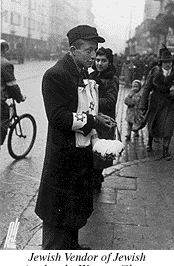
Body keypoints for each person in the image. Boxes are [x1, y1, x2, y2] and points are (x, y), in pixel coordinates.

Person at [34, 25, 114, 250]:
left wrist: (97, 116)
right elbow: (58, 116)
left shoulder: (81, 72)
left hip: (79, 155)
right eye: (89, 50)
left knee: (74, 209)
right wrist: (94, 121)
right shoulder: (55, 75)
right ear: (73, 49)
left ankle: (73, 247)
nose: (93, 55)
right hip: (63, 157)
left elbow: (79, 107)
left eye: (95, 50)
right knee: (58, 212)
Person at [140, 49, 174, 161]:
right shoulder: (155, 72)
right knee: (153, 124)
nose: (168, 64)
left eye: (170, 62)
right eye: (165, 62)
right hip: (156, 102)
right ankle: (150, 142)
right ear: (161, 63)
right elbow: (146, 89)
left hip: (171, 103)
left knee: (168, 127)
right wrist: (143, 106)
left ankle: (165, 151)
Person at [90, 47, 119, 190]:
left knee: (100, 153)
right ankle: (94, 177)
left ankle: (97, 179)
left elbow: (110, 101)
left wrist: (91, 101)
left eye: (103, 60)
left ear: (109, 62)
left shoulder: (112, 79)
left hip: (105, 121)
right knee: (91, 152)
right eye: (97, 60)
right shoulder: (92, 75)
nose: (99, 63)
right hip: (94, 119)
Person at [0, 39, 25, 147]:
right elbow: (12, 85)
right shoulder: (5, 64)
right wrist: (20, 97)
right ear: (4, 49)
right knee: (3, 122)